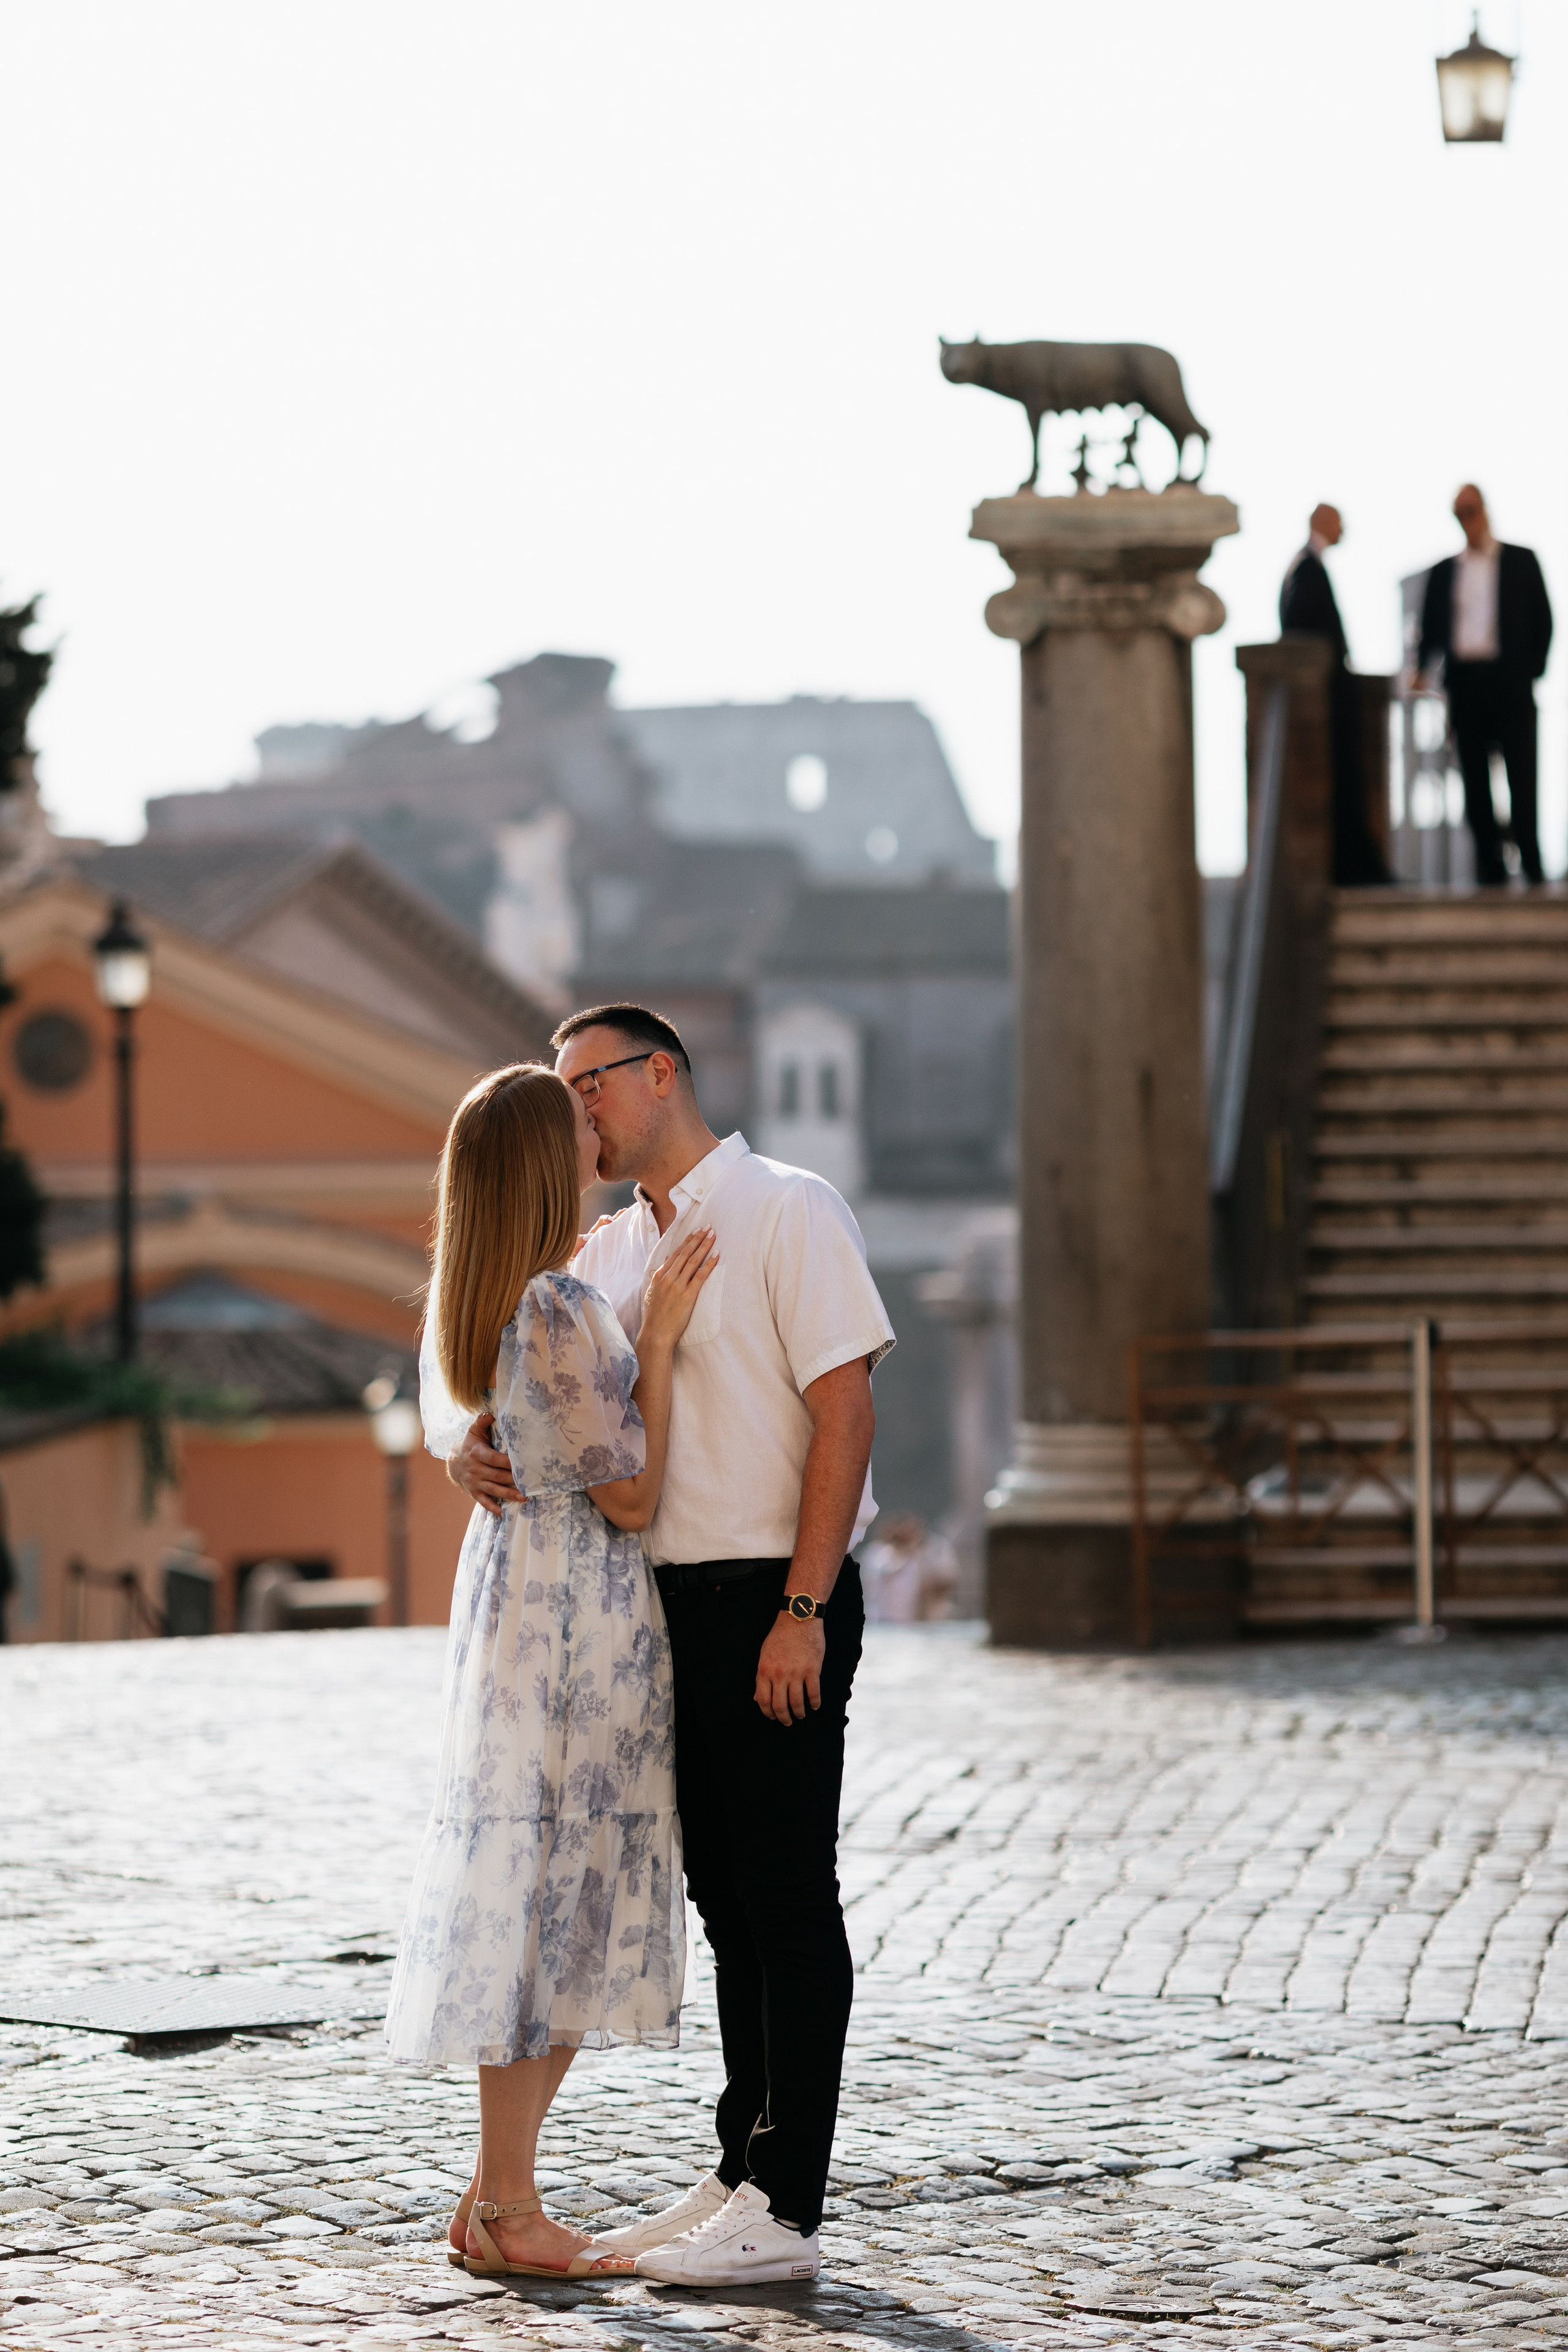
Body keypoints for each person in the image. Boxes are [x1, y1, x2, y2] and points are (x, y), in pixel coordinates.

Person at [443, 1003, 895, 2287]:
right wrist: (467, 1440)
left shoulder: (788, 1206)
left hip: (773, 1593)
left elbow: (846, 1413)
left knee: (787, 1894)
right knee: (724, 1899)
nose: (577, 1110)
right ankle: (739, 2165)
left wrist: (803, 1609)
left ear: (662, 1074)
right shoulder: (612, 1249)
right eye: (563, 1092)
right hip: (662, 1608)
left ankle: (786, 2202)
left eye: (593, 1084)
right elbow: (528, 1366)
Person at [384, 1061, 717, 2283]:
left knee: (540, 1898)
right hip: (579, 1623)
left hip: (519, 1611)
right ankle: (513, 2209)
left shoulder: (484, 1305)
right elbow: (627, 1492)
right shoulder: (561, 1305)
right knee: (560, 1908)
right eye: (577, 1123)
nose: (598, 1131)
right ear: (543, 1161)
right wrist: (666, 1346)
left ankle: (493, 2197)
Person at [1414, 484, 1553, 886]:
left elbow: (1544, 622)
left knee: (1522, 778)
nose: (1468, 520)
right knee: (1475, 782)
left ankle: (1532, 865)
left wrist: (1530, 671)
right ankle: (1490, 870)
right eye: (1460, 513)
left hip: (1511, 684)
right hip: (1466, 686)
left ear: (1485, 512)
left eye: (1472, 510)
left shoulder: (1522, 561)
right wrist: (1424, 669)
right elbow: (1431, 629)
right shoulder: (1444, 572)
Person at [1280, 503, 1392, 886]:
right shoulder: (1307, 569)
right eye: (1339, 522)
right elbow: (1301, 632)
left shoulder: (1306, 566)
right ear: (1323, 523)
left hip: (1335, 693)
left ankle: (1361, 862)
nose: (1344, 528)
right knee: (1344, 783)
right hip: (1329, 696)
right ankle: (1355, 866)